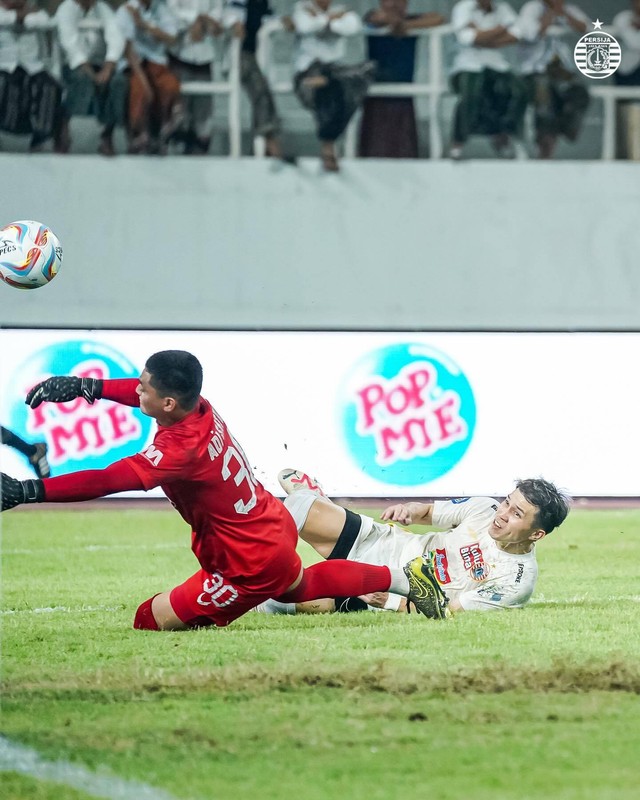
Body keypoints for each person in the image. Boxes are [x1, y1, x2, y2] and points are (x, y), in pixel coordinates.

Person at [0, 351, 447, 629]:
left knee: (147, 620)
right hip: (270, 523)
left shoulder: (180, 448)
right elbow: (145, 403)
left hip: (247, 561)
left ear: (169, 403)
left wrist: (27, 490)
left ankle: (394, 584)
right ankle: (406, 580)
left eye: (142, 388)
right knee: (296, 585)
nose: (135, 391)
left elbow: (109, 479)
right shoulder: (199, 408)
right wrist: (86, 386)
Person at [258, 468, 569, 616]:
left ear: (536, 533)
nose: (501, 515)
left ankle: (314, 499)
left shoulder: (515, 580)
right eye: (506, 503)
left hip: (394, 593)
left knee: (272, 602)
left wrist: (389, 601)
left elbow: (450, 612)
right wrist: (410, 510)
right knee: (295, 509)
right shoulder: (485, 509)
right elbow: (431, 512)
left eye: (516, 513)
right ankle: (309, 500)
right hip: (388, 544)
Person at [292, 0, 375, 171]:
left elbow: (353, 26)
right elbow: (304, 26)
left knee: (368, 71)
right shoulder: (301, 8)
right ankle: (328, 147)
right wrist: (331, 19)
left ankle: (329, 80)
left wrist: (322, 19)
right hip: (308, 72)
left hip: (335, 71)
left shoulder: (341, 9)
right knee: (332, 90)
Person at [358, 0, 444, 158]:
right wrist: (396, 23)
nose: (395, 4)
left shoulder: (411, 21)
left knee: (403, 142)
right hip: (377, 92)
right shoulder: (372, 17)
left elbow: (438, 19)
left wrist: (407, 26)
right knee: (374, 141)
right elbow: (376, 20)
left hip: (403, 92)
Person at [449, 0, 528, 160]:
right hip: (468, 64)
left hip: (496, 64)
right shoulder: (463, 7)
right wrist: (501, 29)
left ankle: (504, 134)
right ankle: (458, 141)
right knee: (471, 93)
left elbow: (517, 34)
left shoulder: (503, 8)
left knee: (519, 90)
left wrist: (483, 35)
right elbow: (467, 38)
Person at [517, 0, 590, 159]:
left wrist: (562, 11)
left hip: (562, 71)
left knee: (579, 92)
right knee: (545, 100)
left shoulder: (570, 9)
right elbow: (533, 33)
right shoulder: (531, 9)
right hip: (536, 70)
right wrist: (551, 12)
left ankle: (566, 129)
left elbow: (586, 29)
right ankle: (545, 147)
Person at [55, 0, 127, 157]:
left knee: (118, 81)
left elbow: (115, 36)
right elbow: (70, 43)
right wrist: (90, 72)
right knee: (82, 80)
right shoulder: (66, 9)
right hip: (75, 65)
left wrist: (108, 67)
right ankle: (63, 128)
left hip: (101, 64)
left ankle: (107, 134)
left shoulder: (103, 8)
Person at [0, 0, 70, 153]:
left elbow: (45, 21)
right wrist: (21, 16)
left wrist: (19, 17)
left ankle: (40, 138)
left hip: (33, 67)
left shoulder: (38, 13)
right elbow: (5, 19)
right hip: (5, 66)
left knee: (50, 88)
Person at [224, 0, 291, 160]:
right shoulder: (236, 2)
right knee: (260, 90)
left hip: (260, 59)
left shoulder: (264, 5)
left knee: (261, 91)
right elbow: (226, 16)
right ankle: (270, 140)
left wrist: (285, 21)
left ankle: (261, 147)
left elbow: (273, 22)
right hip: (240, 57)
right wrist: (234, 25)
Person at [115, 0, 183, 154]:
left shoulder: (162, 9)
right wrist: (145, 82)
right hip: (133, 65)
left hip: (155, 62)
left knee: (170, 85)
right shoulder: (126, 10)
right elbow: (128, 51)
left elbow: (172, 38)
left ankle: (163, 131)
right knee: (141, 90)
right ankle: (138, 135)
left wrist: (145, 26)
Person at [166, 0, 222, 155]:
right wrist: (194, 19)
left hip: (205, 53)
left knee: (203, 110)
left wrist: (206, 21)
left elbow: (218, 11)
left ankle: (199, 148)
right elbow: (169, 10)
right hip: (179, 50)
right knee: (178, 109)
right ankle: (175, 145)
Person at [611, 1, 640, 159]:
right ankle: (626, 156)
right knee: (625, 122)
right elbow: (634, 42)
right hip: (626, 75)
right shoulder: (623, 18)